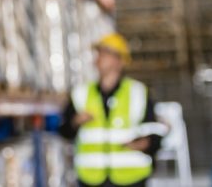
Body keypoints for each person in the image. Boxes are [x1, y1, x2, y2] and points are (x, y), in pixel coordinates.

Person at [58, 33, 168, 187]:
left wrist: (148, 143)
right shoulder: (81, 93)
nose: (100, 57)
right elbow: (64, 131)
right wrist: (76, 121)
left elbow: (156, 129)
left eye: (106, 53)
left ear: (120, 61)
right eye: (99, 53)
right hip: (91, 178)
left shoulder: (138, 92)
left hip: (132, 177)